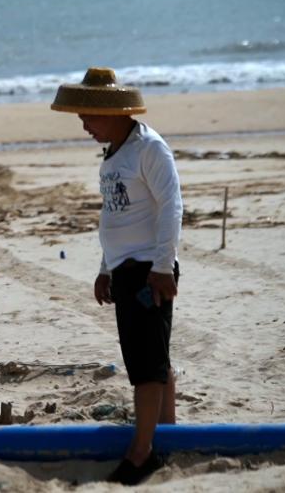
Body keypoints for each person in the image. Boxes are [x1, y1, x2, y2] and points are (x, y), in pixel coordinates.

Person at [51, 67, 183, 486]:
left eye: (89, 118)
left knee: (145, 368)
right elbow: (116, 216)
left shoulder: (149, 148)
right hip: (126, 269)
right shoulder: (114, 153)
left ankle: (142, 453)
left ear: (115, 113)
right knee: (153, 358)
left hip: (149, 270)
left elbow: (171, 208)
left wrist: (162, 268)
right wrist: (105, 268)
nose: (85, 126)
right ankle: (168, 435)